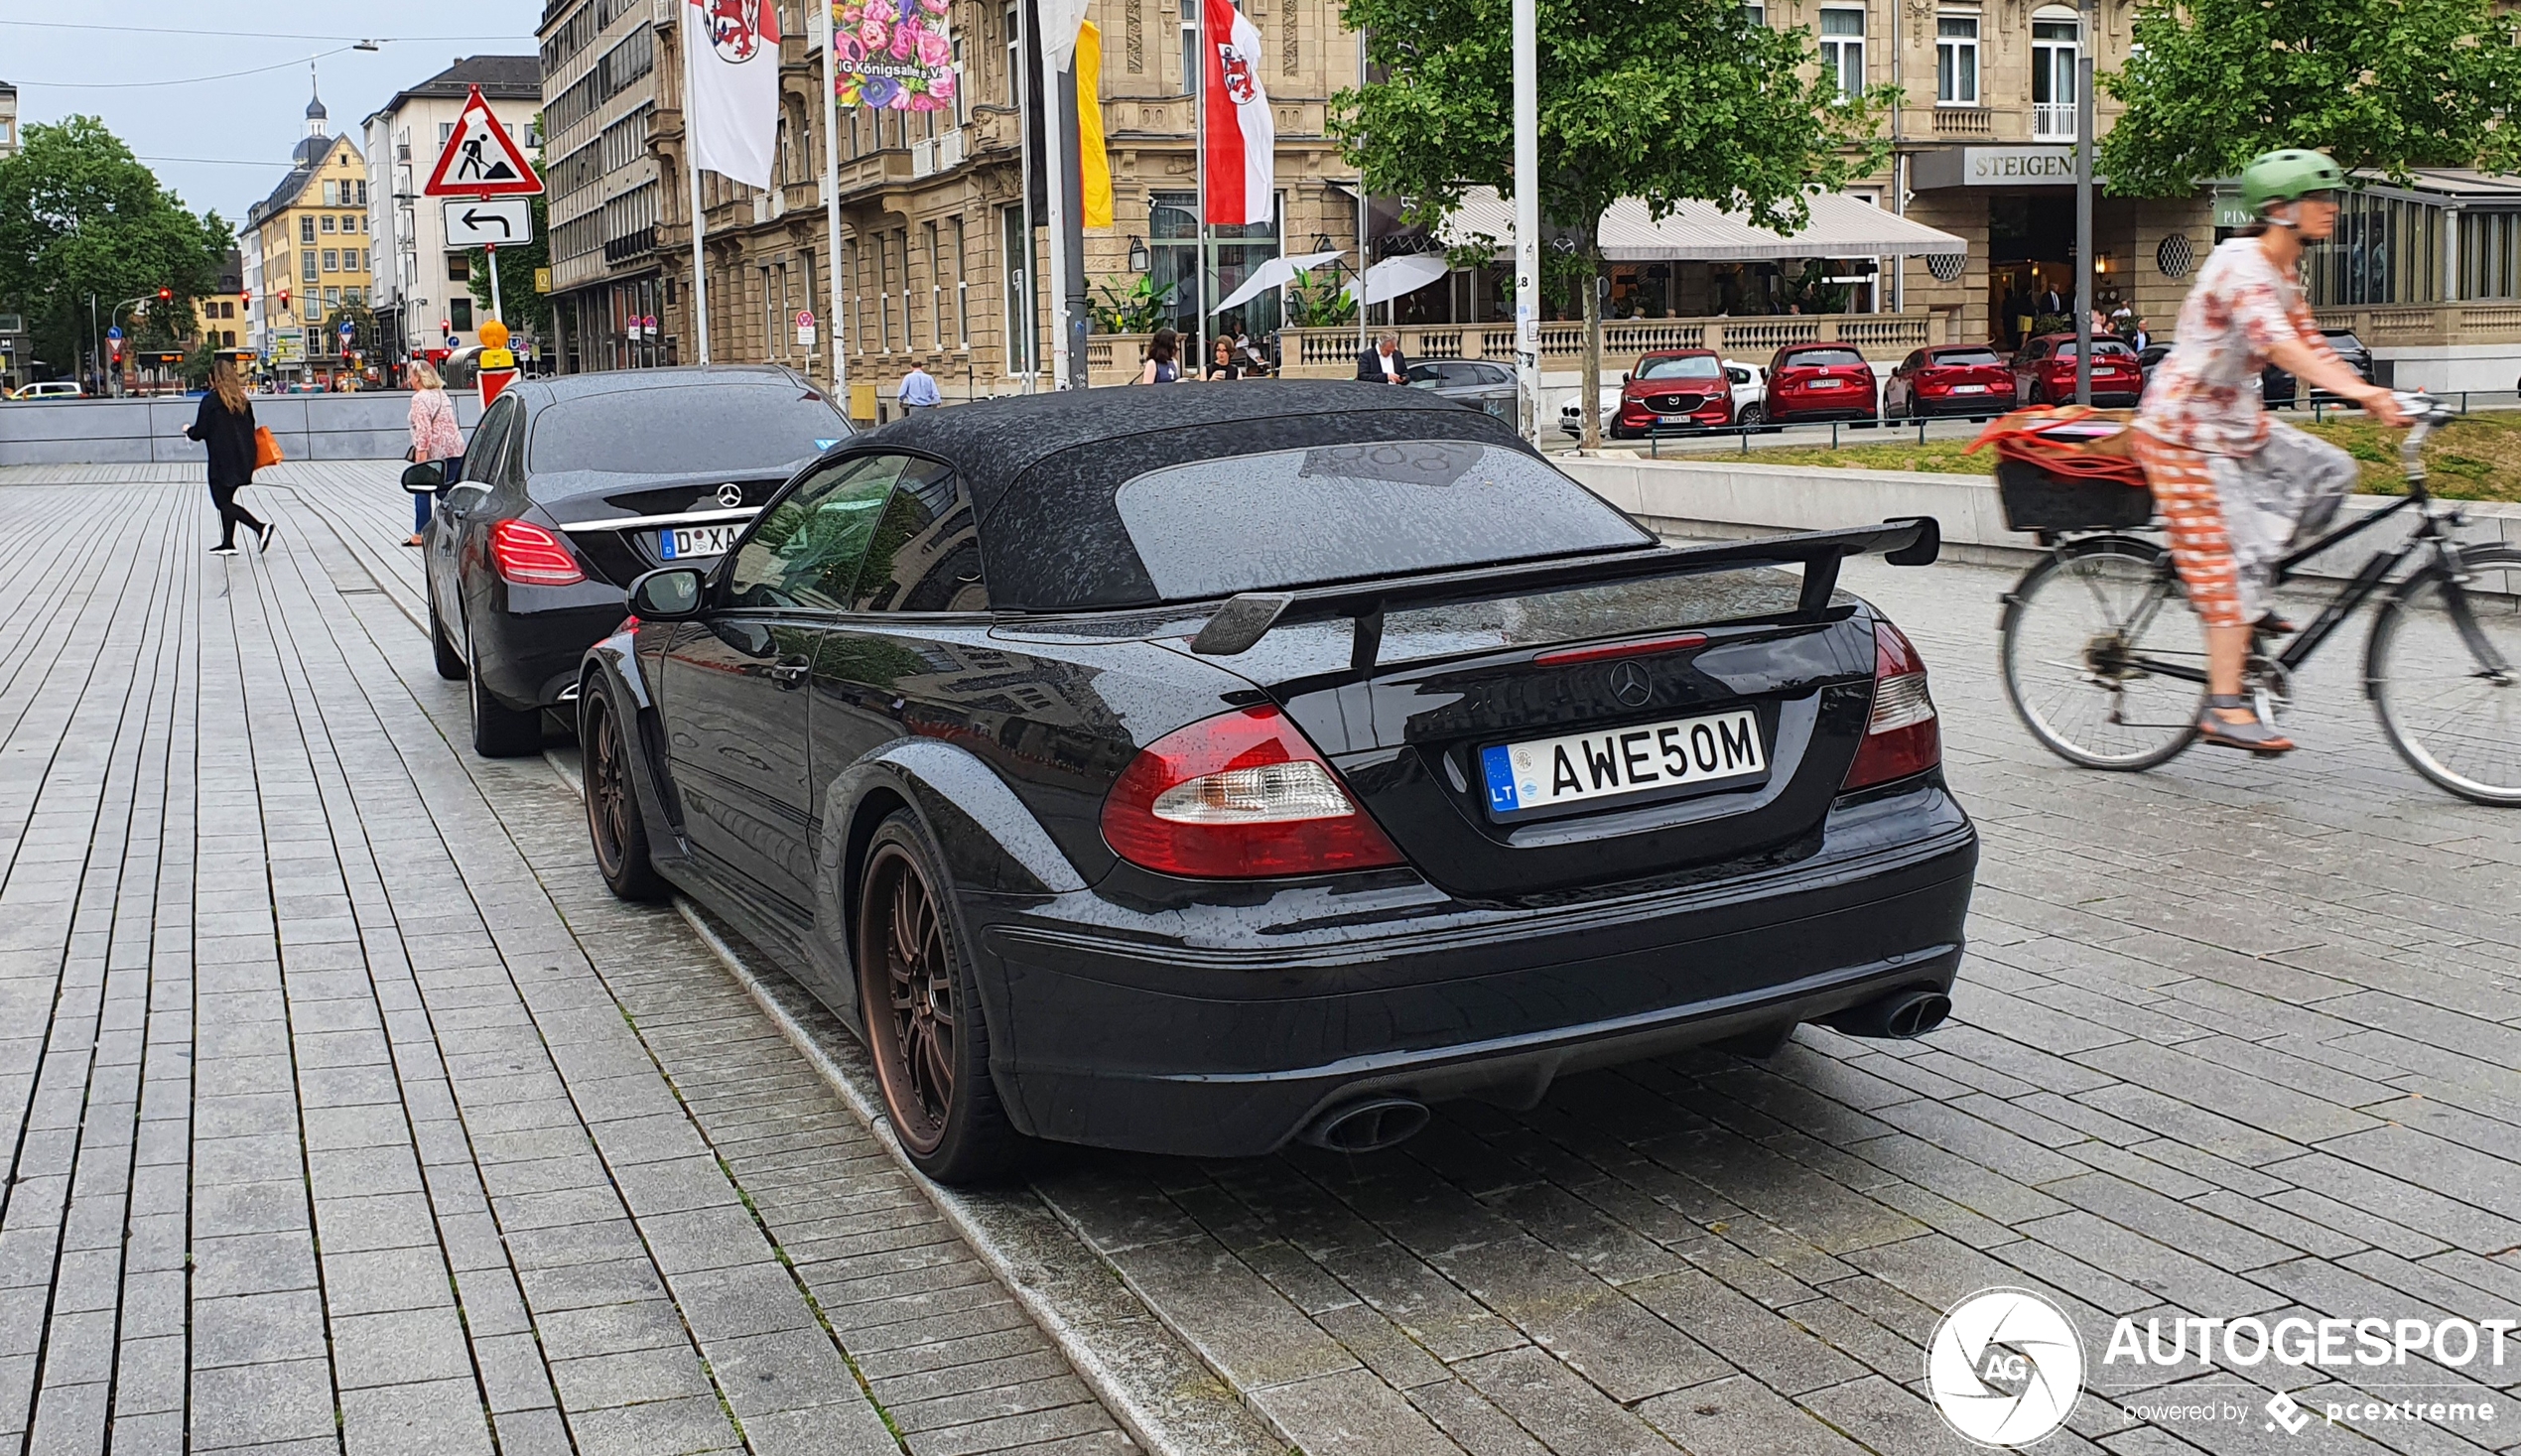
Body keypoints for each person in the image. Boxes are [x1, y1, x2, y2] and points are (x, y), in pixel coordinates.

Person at [2131, 147, 2406, 755]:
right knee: (2236, 564)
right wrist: (2362, 393)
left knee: (2331, 470)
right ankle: (2224, 707)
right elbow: (2276, 344)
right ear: (2280, 209)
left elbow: (2309, 341)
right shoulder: (2240, 265)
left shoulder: (2285, 273)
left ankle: (2252, 599)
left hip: (2236, 425)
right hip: (2184, 433)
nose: (2332, 209)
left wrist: (2375, 394)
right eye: (2320, 198)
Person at [185, 358, 272, 556]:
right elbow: (251, 427)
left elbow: (201, 431)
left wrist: (188, 430)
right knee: (228, 498)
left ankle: (260, 527)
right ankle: (228, 543)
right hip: (244, 457)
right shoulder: (242, 401)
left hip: (222, 461)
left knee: (222, 503)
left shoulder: (211, 401)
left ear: (212, 378)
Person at [406, 363, 465, 547]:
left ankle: (421, 533)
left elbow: (424, 431)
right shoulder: (442, 394)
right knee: (447, 491)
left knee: (421, 489)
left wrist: (420, 460)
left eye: (410, 376)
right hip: (455, 449)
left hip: (435, 452)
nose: (409, 380)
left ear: (418, 377)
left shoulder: (419, 398)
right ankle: (463, 527)